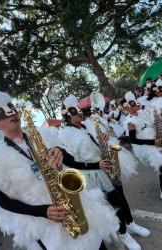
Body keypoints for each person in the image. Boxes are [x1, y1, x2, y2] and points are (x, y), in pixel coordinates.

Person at [0, 91, 119, 250]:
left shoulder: (44, 136)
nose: (11, 114)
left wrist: (60, 152)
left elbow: (71, 162)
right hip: (46, 223)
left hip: (73, 206)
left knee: (97, 244)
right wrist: (43, 211)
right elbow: (3, 201)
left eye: (12, 108)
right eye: (1, 114)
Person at [59, 95, 149, 250]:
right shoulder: (65, 133)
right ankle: (122, 233)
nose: (80, 113)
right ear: (67, 114)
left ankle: (131, 223)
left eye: (80, 110)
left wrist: (104, 137)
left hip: (107, 164)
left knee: (122, 196)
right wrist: (96, 165)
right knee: (116, 202)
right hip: (93, 172)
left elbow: (100, 138)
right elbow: (70, 162)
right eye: (75, 112)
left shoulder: (87, 123)